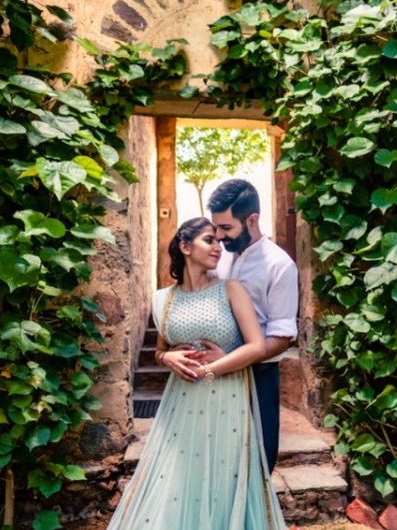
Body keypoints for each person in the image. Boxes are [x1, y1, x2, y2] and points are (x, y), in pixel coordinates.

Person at [107, 217, 287, 530]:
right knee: (179, 480)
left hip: (228, 396)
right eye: (209, 240)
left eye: (219, 240)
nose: (218, 247)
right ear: (185, 246)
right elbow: (161, 350)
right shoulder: (163, 298)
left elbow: (257, 346)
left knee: (222, 479)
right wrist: (168, 359)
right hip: (182, 403)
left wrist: (210, 368)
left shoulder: (231, 289)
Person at [207, 179, 299, 473]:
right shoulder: (218, 259)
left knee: (259, 460)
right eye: (216, 228)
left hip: (259, 376)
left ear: (252, 219)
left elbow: (282, 337)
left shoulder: (279, 265)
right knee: (218, 461)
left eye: (226, 228)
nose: (219, 237)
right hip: (215, 378)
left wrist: (234, 360)